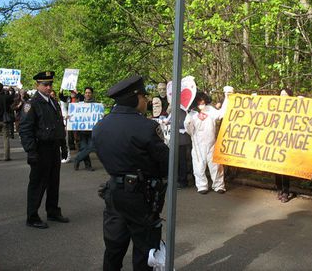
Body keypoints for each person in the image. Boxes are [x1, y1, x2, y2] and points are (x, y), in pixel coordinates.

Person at [92, 75, 169, 271]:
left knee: (113, 248)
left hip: (114, 193)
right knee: (145, 252)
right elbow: (165, 163)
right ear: (135, 98)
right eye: (144, 97)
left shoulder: (101, 126)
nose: (146, 101)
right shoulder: (147, 127)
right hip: (141, 197)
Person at [19, 71, 69, 229]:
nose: (48, 87)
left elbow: (58, 125)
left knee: (54, 181)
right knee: (38, 183)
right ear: (37, 85)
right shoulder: (31, 104)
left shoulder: (52, 102)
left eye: (50, 84)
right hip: (40, 148)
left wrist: (63, 146)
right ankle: (32, 216)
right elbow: (25, 130)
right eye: (45, 84)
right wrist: (31, 151)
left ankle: (53, 210)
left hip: (53, 147)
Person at [184, 90, 230, 194]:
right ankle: (202, 186)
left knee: (216, 166)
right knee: (198, 166)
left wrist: (227, 97)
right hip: (197, 145)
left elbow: (221, 114)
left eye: (203, 100)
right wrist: (188, 124)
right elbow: (190, 131)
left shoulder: (210, 110)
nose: (201, 103)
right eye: (199, 101)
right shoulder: (191, 114)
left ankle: (219, 185)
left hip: (211, 143)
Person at [275, 88, 293, 203]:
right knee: (275, 167)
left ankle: (286, 191)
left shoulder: (294, 108)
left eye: (285, 94)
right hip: (275, 141)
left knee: (285, 168)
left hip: (288, 141)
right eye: (281, 94)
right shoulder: (275, 107)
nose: (283, 96)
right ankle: (279, 189)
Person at [73, 86, 96, 171]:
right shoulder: (79, 104)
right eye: (86, 92)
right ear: (84, 94)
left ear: (92, 94)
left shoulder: (96, 105)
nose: (87, 94)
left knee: (91, 147)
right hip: (82, 131)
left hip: (92, 131)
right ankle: (88, 166)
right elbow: (74, 115)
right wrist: (70, 117)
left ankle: (78, 159)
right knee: (84, 148)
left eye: (89, 92)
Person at [0, 82, 15, 161]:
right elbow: (12, 97)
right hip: (5, 120)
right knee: (6, 138)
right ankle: (6, 156)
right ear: (2, 88)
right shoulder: (6, 97)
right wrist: (11, 90)